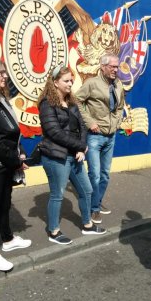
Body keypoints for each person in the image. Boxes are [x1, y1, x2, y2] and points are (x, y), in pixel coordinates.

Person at [38, 65, 106, 245]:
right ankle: (53, 231)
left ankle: (87, 225)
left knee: (87, 190)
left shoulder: (72, 102)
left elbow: (82, 126)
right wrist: (80, 146)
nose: (70, 84)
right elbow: (54, 132)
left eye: (71, 80)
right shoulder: (47, 103)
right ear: (55, 82)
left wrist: (81, 146)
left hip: (74, 155)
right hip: (56, 157)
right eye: (66, 81)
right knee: (57, 194)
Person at [0, 57, 31, 272]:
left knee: (5, 204)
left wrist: (20, 154)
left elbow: (13, 133)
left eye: (5, 72)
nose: (5, 76)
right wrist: (16, 160)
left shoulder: (0, 99)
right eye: (0, 73)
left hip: (5, 163)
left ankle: (7, 239)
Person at [76, 53, 125, 224]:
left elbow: (119, 107)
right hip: (95, 137)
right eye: (112, 66)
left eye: (117, 67)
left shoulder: (118, 85)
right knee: (95, 174)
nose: (115, 70)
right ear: (103, 67)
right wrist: (89, 121)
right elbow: (76, 101)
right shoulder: (91, 83)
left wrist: (118, 121)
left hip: (111, 137)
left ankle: (96, 201)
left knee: (105, 175)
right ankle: (93, 209)